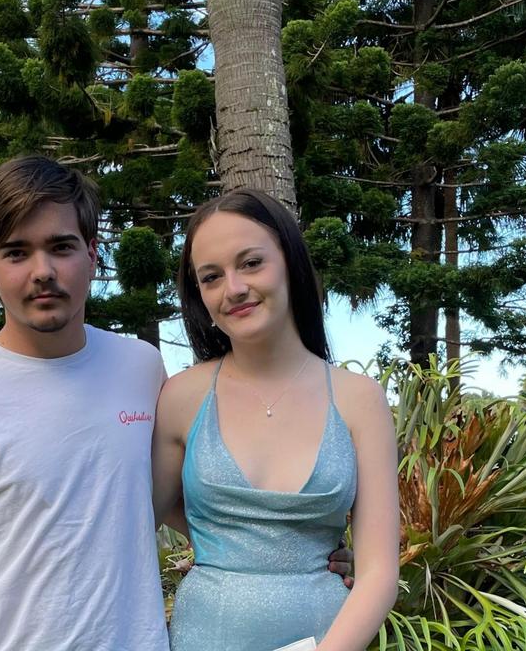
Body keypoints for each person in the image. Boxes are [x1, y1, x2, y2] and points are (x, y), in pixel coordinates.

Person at [0, 157, 351, 651]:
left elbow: (158, 498)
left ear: (91, 253)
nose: (43, 271)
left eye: (61, 247)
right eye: (17, 252)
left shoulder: (140, 368)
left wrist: (300, 552)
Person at [151, 189, 400, 650]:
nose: (234, 288)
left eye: (251, 263)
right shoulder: (182, 397)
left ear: (290, 261)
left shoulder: (359, 399)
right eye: (211, 277)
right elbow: (135, 515)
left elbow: (380, 573)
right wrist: (226, 543)